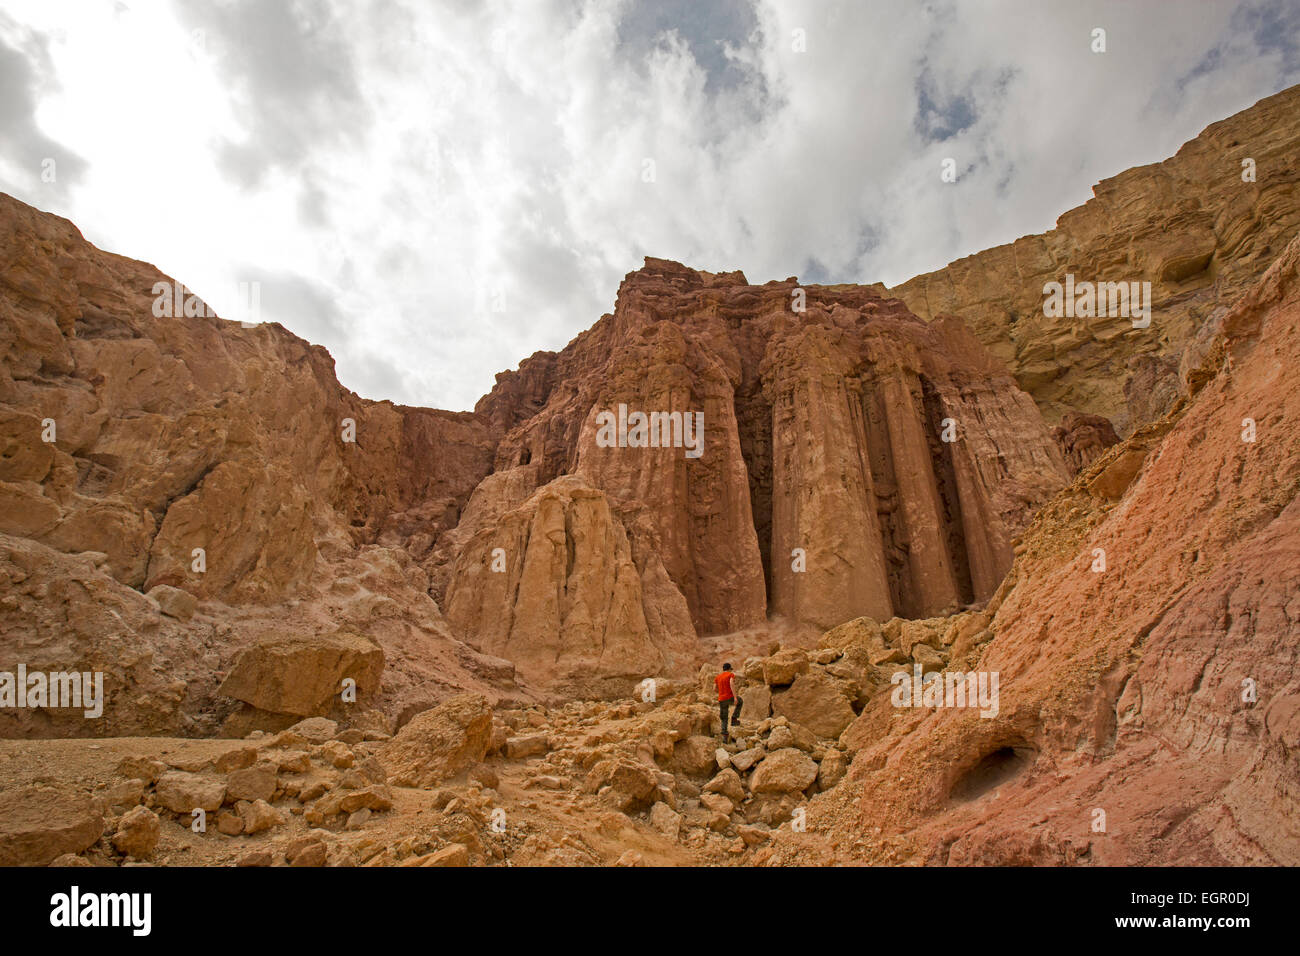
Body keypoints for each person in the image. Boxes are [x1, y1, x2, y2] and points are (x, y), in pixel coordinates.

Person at [715, 662, 743, 741]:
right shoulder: (730, 675)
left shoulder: (718, 677)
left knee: (724, 717)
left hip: (721, 699)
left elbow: (714, 688)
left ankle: (724, 735)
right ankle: (734, 719)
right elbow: (731, 684)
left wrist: (721, 693)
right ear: (729, 669)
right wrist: (735, 697)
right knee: (740, 701)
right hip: (729, 697)